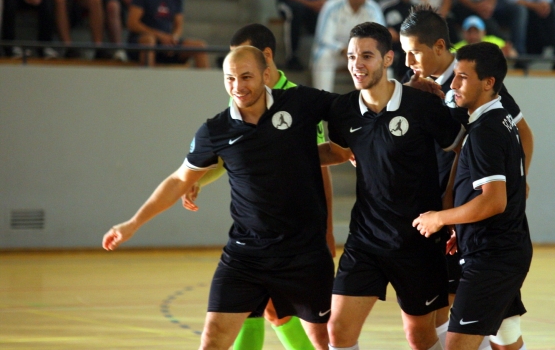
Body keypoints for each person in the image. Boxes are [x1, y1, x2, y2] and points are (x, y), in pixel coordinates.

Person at [102, 45, 339, 350]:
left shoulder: (299, 102)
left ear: (266, 75)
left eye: (246, 77)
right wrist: (133, 224)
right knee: (212, 339)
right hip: (246, 255)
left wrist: (357, 146)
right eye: (230, 79)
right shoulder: (215, 130)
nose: (238, 86)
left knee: (324, 340)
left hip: (303, 252)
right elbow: (177, 180)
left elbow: (352, 108)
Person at [180, 23, 336, 350]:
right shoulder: (243, 92)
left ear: (264, 58)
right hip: (254, 236)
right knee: (257, 310)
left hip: (295, 238)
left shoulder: (297, 100)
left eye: (244, 64)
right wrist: (197, 178)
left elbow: (319, 166)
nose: (237, 78)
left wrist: (328, 228)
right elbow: (229, 157)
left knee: (291, 319)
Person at [320, 21, 464, 350]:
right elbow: (341, 151)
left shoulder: (423, 105)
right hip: (366, 240)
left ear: (387, 59)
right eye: (352, 56)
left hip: (417, 242)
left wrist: (451, 203)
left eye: (367, 56)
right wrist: (285, 156)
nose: (357, 64)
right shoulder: (343, 110)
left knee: (419, 337)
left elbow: (462, 148)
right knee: (338, 331)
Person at [399, 5, 533, 349]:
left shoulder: (478, 90)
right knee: (503, 326)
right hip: (464, 219)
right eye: (404, 53)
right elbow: (462, 151)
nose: (408, 61)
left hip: (484, 231)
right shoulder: (424, 89)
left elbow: (522, 137)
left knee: (455, 320)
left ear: (440, 47)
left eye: (414, 52)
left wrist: (514, 183)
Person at [126, 0, 209, 68]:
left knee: (200, 46)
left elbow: (178, 24)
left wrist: (174, 39)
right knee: (148, 41)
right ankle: (146, 80)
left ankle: (204, 84)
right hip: (143, 41)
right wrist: (160, 36)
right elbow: (132, 23)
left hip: (166, 42)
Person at [311, 0, 384, 92]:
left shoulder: (373, 8)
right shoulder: (332, 6)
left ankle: (378, 105)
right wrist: (343, 49)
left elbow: (380, 38)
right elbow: (323, 38)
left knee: (382, 61)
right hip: (337, 53)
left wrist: (360, 52)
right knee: (323, 56)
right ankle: (322, 101)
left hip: (362, 54)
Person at [379, 0, 422, 78]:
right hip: (392, 45)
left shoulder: (421, 7)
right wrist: (385, 31)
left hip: (413, 47)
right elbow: (376, 26)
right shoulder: (385, 5)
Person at [453, 16, 518, 58]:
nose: (473, 35)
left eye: (476, 32)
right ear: (463, 33)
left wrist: (507, 55)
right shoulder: (456, 48)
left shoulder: (493, 42)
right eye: (469, 32)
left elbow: (514, 55)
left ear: (483, 32)